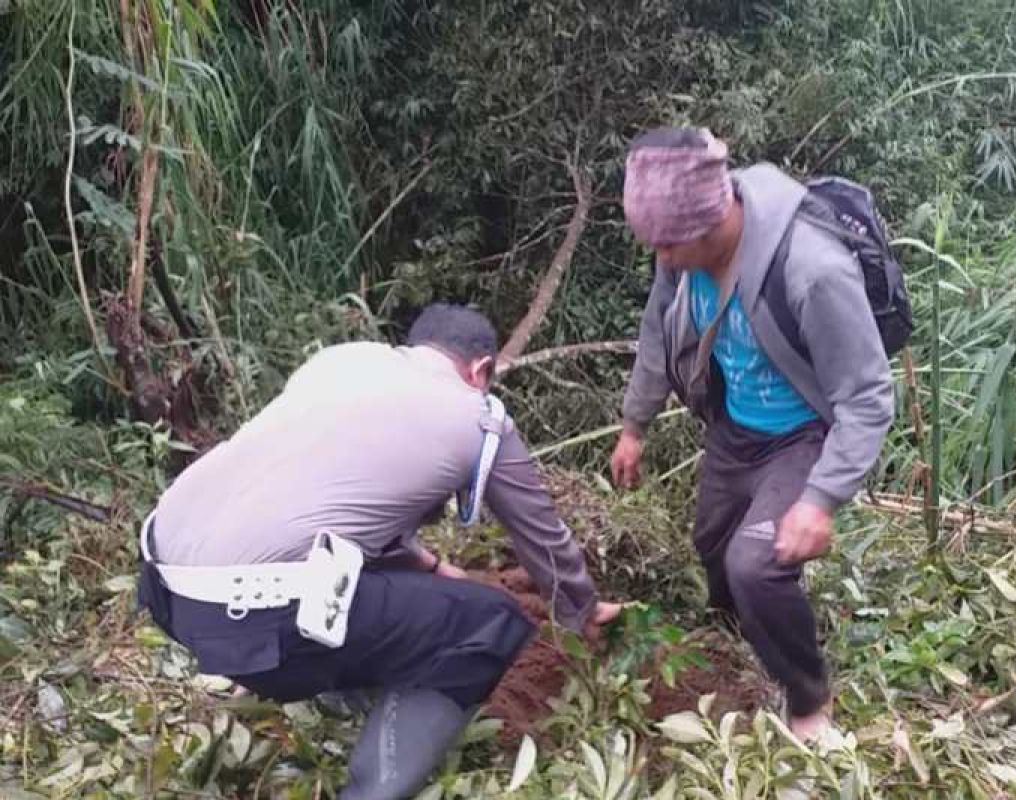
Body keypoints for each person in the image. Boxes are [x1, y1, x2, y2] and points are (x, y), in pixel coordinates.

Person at [137, 303, 621, 799]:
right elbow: (541, 534)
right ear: (481, 370)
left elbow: (334, 504)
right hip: (254, 617)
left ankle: (336, 697)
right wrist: (579, 607)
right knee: (492, 619)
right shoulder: (481, 419)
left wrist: (431, 566)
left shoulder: (342, 362)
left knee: (375, 593)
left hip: (161, 583)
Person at [610, 127, 895, 740]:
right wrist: (634, 425)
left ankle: (808, 700)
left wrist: (820, 500)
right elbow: (658, 335)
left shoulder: (812, 269)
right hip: (735, 428)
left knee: (755, 564)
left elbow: (868, 395)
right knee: (712, 544)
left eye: (665, 245)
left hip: (803, 435)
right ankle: (738, 647)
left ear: (710, 226)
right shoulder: (681, 256)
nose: (659, 260)